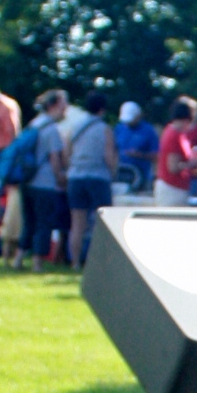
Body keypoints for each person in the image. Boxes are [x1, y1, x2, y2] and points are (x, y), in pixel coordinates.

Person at [65, 91, 119, 265]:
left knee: (77, 223)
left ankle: (74, 262)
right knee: (101, 223)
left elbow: (67, 152)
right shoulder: (104, 129)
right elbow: (108, 155)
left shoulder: (75, 127)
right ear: (102, 109)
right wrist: (113, 172)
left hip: (76, 176)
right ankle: (98, 262)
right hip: (98, 177)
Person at [26, 89, 71, 267]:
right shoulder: (52, 129)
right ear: (53, 105)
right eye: (63, 104)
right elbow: (54, 157)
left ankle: (17, 258)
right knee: (44, 223)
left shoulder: (34, 123)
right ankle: (37, 263)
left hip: (27, 179)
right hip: (45, 182)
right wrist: (60, 177)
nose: (65, 109)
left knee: (29, 221)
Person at [155, 97, 197, 207]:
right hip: (171, 190)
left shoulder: (178, 133)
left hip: (177, 189)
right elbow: (172, 167)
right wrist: (194, 162)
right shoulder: (173, 135)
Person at [115, 99, 160, 192]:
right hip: (120, 172)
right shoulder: (119, 128)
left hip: (140, 176)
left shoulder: (148, 131)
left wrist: (139, 155)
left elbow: (157, 155)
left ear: (138, 116)